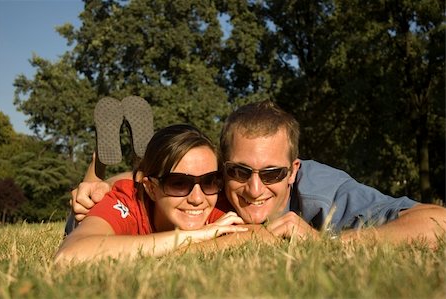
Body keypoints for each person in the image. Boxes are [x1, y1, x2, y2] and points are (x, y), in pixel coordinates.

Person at [71, 101, 446, 247]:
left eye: (272, 174)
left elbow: (438, 222)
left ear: (293, 171)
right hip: (103, 217)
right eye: (238, 171)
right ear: (223, 167)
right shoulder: (209, 186)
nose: (253, 189)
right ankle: (99, 164)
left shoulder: (319, 187)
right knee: (99, 194)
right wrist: (101, 184)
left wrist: (325, 244)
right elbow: (178, 174)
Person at [55, 124, 248, 262]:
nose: (197, 199)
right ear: (151, 189)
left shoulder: (215, 199)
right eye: (178, 183)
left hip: (144, 179)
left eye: (209, 181)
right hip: (85, 215)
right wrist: (194, 236)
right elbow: (69, 255)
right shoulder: (124, 202)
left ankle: (144, 172)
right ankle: (98, 162)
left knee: (137, 176)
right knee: (91, 197)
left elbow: (257, 234)